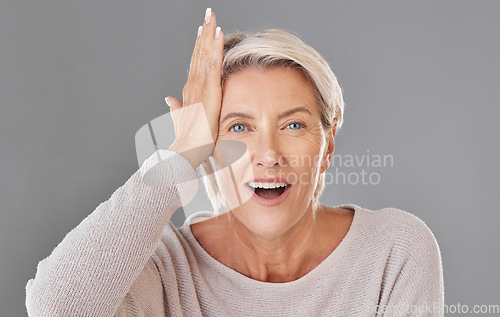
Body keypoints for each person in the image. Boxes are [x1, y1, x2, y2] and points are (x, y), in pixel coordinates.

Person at [25, 8, 444, 316]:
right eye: (239, 128)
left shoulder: (394, 250)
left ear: (327, 146)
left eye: (294, 125)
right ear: (208, 150)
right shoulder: (163, 268)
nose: (268, 155)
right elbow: (55, 308)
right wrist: (182, 152)